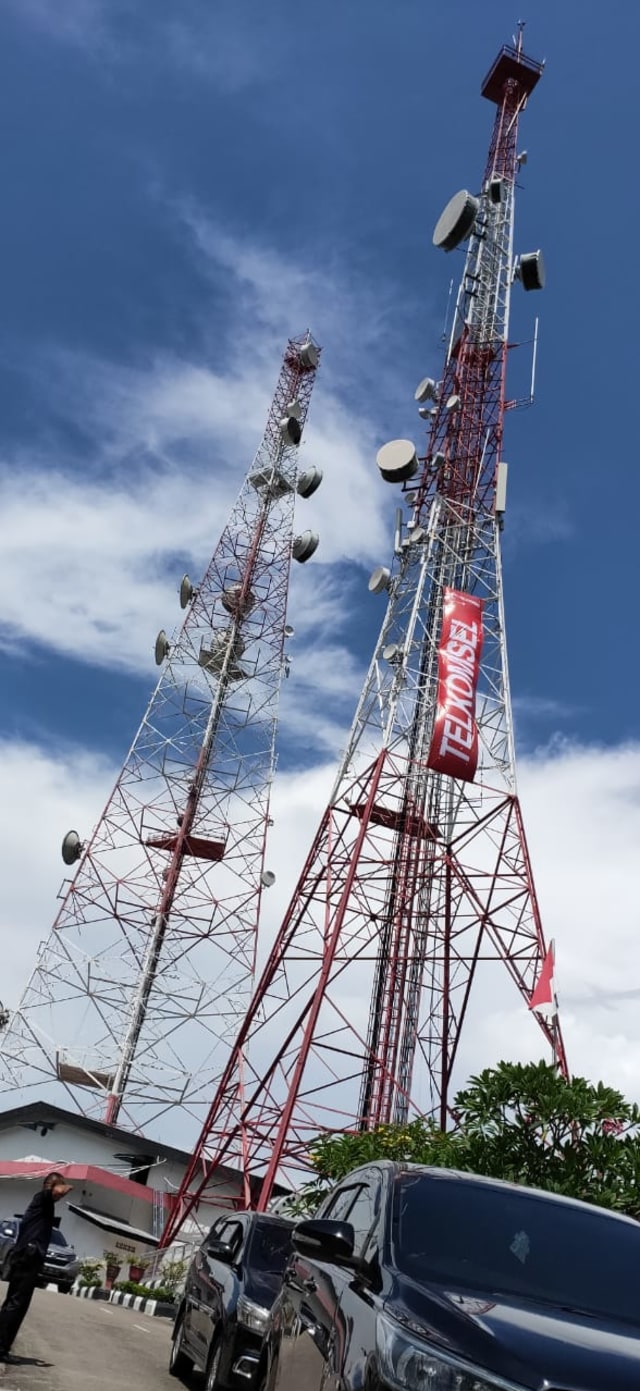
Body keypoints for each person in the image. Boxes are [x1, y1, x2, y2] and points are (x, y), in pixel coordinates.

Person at [0, 1172, 72, 1366]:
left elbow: (58, 1190)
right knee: (16, 1304)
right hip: (28, 1257)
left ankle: (2, 1346)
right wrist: (64, 1186)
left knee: (15, 1303)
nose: (61, 1196)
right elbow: (59, 1189)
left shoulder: (44, 1204)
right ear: (50, 1187)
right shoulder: (42, 1198)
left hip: (27, 1257)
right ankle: (1, 1349)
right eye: (58, 1191)